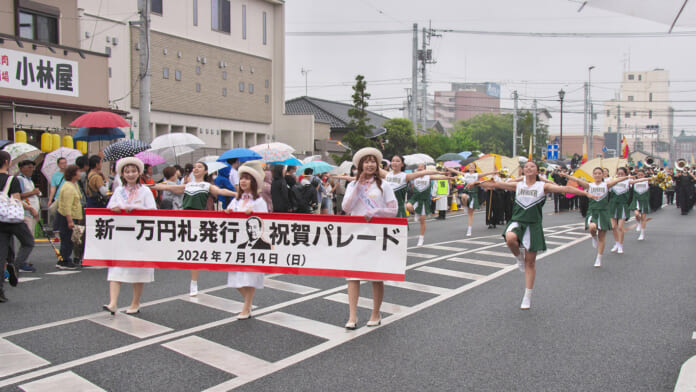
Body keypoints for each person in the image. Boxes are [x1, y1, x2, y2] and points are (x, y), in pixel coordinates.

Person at [481, 161, 596, 309]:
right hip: (517, 220)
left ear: (537, 171)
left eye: (532, 167)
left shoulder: (543, 186)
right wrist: (477, 184)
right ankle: (518, 257)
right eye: (526, 167)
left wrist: (585, 193)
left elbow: (565, 188)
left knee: (531, 262)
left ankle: (527, 295)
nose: (529, 168)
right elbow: (495, 185)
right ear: (523, 171)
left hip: (533, 225)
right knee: (510, 238)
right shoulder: (518, 185)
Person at [151, 161, 236, 296]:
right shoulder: (187, 185)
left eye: (200, 167)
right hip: (185, 219)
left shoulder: (207, 185)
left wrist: (236, 194)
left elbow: (220, 191)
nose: (196, 169)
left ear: (205, 171)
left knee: (195, 252)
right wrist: (152, 186)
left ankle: (193, 283)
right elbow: (169, 188)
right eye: (195, 167)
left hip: (199, 220)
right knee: (184, 249)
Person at [341, 147, 398, 328]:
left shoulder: (384, 185)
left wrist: (377, 211)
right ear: (360, 165)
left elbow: (394, 210)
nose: (370, 164)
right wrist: (357, 186)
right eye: (366, 161)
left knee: (376, 276)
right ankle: (352, 316)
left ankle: (375, 312)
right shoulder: (352, 185)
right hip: (355, 234)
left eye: (373, 161)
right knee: (352, 275)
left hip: (376, 234)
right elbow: (346, 208)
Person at [102, 157, 157, 315]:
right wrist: (116, 207)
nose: (130, 174)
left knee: (138, 270)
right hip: (121, 235)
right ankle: (113, 303)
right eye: (127, 172)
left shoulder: (145, 190)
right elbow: (109, 207)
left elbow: (153, 211)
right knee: (115, 267)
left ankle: (135, 302)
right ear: (122, 174)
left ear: (139, 172)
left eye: (133, 171)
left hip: (139, 235)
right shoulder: (118, 191)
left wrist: (136, 208)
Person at [561, 168, 630, 268]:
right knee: (592, 227)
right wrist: (566, 176)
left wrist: (627, 176)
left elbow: (617, 180)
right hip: (593, 211)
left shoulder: (606, 185)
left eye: (599, 173)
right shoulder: (590, 185)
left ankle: (599, 258)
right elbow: (577, 179)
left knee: (602, 237)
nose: (597, 175)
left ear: (602, 175)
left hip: (604, 212)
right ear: (593, 175)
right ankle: (593, 237)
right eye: (595, 173)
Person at [225, 161, 268, 319]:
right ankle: (248, 304)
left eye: (247, 178)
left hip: (253, 244)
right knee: (235, 277)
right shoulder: (237, 200)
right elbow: (230, 211)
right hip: (237, 242)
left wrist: (254, 213)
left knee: (250, 276)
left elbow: (264, 221)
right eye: (241, 178)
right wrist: (227, 212)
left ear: (253, 182)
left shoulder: (258, 201)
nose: (243, 181)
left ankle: (246, 307)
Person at [0, 151, 36, 301]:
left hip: (0, 220)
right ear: (7, 162)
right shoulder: (11, 180)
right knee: (28, 242)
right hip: (13, 219)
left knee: (1, 255)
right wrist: (30, 208)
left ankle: (0, 291)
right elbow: (16, 200)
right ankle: (15, 265)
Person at [446, 163, 497, 236]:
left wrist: (494, 171)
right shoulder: (465, 174)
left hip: (474, 194)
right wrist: (448, 168)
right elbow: (456, 171)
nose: (471, 167)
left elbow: (486, 173)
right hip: (467, 192)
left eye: (472, 166)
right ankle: (465, 206)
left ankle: (469, 229)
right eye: (470, 166)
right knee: (463, 196)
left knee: (470, 213)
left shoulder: (476, 175)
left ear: (475, 168)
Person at [381, 155, 439, 219]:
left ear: (402, 164)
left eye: (397, 161)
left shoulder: (405, 176)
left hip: (399, 209)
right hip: (386, 209)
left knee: (400, 227)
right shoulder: (387, 175)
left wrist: (440, 172)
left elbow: (422, 173)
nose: (395, 163)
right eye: (393, 161)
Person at [406, 163, 450, 247]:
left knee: (422, 220)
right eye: (418, 169)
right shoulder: (414, 176)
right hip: (416, 198)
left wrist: (448, 176)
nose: (420, 170)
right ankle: (415, 212)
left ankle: (421, 238)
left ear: (425, 170)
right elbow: (411, 185)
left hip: (424, 200)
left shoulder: (428, 177)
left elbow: (439, 177)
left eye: (422, 168)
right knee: (407, 206)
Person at [55, 164, 82, 270]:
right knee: (67, 238)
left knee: (70, 239)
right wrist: (70, 220)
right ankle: (63, 260)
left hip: (73, 215)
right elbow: (67, 205)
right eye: (78, 171)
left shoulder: (74, 184)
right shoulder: (68, 187)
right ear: (73, 174)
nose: (79, 173)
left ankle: (65, 258)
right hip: (67, 217)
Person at [17, 160, 39, 272]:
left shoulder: (29, 180)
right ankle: (21, 262)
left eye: (32, 167)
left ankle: (25, 260)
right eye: (29, 167)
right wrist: (32, 192)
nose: (31, 169)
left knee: (29, 237)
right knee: (27, 239)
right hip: (25, 213)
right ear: (21, 168)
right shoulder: (20, 179)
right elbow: (17, 195)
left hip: (32, 212)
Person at [607, 167, 631, 254]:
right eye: (618, 173)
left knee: (620, 227)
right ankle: (616, 243)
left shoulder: (628, 182)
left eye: (622, 174)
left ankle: (620, 245)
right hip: (612, 205)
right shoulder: (612, 181)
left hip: (622, 205)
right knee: (613, 226)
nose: (620, 175)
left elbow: (636, 181)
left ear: (625, 174)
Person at [629, 170, 653, 241]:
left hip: (644, 200)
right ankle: (638, 223)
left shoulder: (647, 182)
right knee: (636, 214)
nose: (640, 176)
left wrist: (647, 178)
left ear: (644, 175)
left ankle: (642, 234)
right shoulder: (634, 181)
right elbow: (630, 182)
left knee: (643, 217)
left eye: (641, 175)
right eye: (639, 175)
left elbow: (653, 179)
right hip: (636, 200)